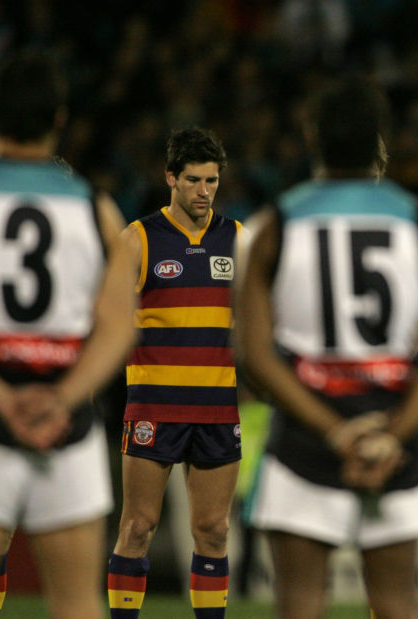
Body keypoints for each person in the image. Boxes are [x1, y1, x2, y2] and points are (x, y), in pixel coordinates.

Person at [234, 75, 418, 619]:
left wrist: (335, 431)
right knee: (396, 607)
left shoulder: (276, 225)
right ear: (379, 141)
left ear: (312, 138)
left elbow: (255, 356)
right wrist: (394, 434)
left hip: (304, 441)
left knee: (299, 606)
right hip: (395, 439)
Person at [0, 50, 136, 619]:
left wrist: (3, 399)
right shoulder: (94, 208)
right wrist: (60, 400)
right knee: (77, 606)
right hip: (65, 425)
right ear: (60, 120)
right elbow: (120, 325)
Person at [107, 127, 241, 619]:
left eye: (212, 180)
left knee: (214, 531)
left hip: (215, 408)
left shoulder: (236, 239)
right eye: (193, 180)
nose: (204, 191)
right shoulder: (139, 239)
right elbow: (105, 317)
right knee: (137, 527)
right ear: (170, 178)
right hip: (154, 407)